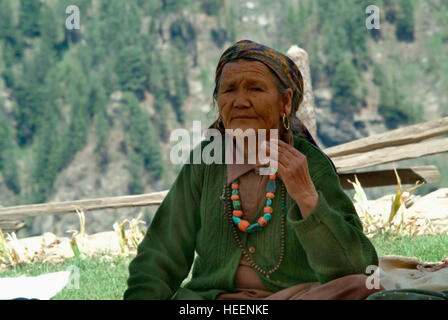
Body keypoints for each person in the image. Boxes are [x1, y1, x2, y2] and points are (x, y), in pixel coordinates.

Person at [124, 40, 383, 300]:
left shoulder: (310, 164)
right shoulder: (205, 162)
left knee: (361, 286)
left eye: (255, 89)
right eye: (229, 90)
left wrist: (306, 196)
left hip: (296, 297)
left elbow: (357, 267)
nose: (240, 101)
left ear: (285, 102)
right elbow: (160, 255)